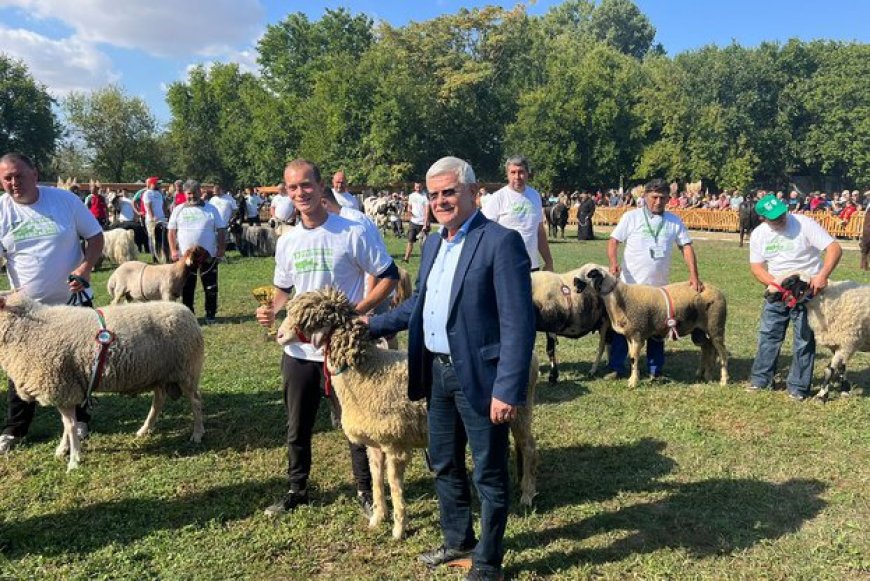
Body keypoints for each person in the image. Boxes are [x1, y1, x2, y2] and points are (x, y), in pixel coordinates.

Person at [367, 156, 535, 581]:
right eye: (434, 194)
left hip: (480, 376)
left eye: (449, 192)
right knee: (442, 461)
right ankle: (458, 539)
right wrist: (370, 325)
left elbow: (518, 321)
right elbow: (419, 304)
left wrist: (507, 389)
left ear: (473, 192)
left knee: (489, 472)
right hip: (436, 373)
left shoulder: (500, 242)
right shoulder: (434, 243)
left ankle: (488, 561)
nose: (440, 200)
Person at [255, 159, 399, 519]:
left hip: (342, 349)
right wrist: (271, 309)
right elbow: (283, 289)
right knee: (297, 423)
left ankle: (366, 491)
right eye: (293, 188)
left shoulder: (352, 231)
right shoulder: (287, 241)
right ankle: (296, 489)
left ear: (321, 188)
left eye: (306, 185)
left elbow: (389, 276)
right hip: (300, 350)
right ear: (286, 193)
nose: (300, 193)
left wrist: (356, 311)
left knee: (357, 424)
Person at [0, 153, 104, 453]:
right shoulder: (2, 210)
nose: (14, 183)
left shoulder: (65, 202)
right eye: (7, 178)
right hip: (26, 310)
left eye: (19, 175)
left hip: (72, 302)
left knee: (80, 363)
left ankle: (81, 420)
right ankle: (15, 428)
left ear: (35, 173)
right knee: (21, 367)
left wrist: (84, 269)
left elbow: (96, 237)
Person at [606, 179, 704, 380]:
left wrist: (694, 275)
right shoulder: (631, 217)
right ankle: (617, 367)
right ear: (645, 197)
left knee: (659, 327)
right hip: (630, 287)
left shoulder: (674, 221)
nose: (658, 201)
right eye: (654, 197)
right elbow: (614, 241)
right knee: (622, 326)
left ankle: (655, 369)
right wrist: (613, 262)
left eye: (663, 197)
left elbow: (686, 247)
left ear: (669, 198)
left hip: (659, 288)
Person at [747, 195, 842, 400]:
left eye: (782, 213)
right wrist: (774, 285)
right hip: (779, 290)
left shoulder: (804, 224)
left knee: (804, 339)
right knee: (769, 335)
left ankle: (798, 387)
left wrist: (822, 275)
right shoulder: (759, 235)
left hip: (808, 291)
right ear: (763, 218)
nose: (781, 218)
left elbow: (834, 248)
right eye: (774, 217)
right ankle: (761, 380)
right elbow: (756, 267)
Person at [167, 180, 227, 325]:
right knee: (187, 286)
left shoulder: (211, 209)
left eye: (195, 194)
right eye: (189, 194)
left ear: (200, 192)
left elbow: (221, 230)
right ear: (184, 194)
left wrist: (221, 248)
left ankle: (211, 314)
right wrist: (173, 250)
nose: (192, 197)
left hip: (209, 254)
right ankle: (189, 315)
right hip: (185, 257)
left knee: (211, 285)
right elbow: (171, 231)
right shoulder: (178, 209)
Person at [482, 154, 553, 272]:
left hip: (531, 266)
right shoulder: (498, 198)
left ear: (527, 173)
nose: (517, 176)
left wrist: (548, 261)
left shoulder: (534, 196)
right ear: (507, 174)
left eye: (521, 172)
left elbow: (539, 231)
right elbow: (485, 232)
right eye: (513, 172)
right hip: (505, 266)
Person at [403, 182, 430, 262]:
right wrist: (409, 211)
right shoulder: (411, 196)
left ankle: (425, 260)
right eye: (416, 186)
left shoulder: (425, 196)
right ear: (414, 187)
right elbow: (409, 206)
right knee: (410, 240)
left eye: (419, 186)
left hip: (422, 223)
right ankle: (406, 259)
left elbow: (427, 211)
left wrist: (425, 224)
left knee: (423, 244)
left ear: (422, 186)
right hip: (413, 222)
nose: (418, 188)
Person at [142, 176, 167, 262]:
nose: (158, 184)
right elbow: (148, 207)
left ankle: (161, 254)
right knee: (152, 237)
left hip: (161, 218)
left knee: (161, 238)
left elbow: (163, 205)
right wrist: (152, 217)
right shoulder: (147, 193)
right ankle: (154, 256)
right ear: (152, 183)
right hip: (152, 220)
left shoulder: (159, 193)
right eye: (157, 183)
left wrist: (165, 215)